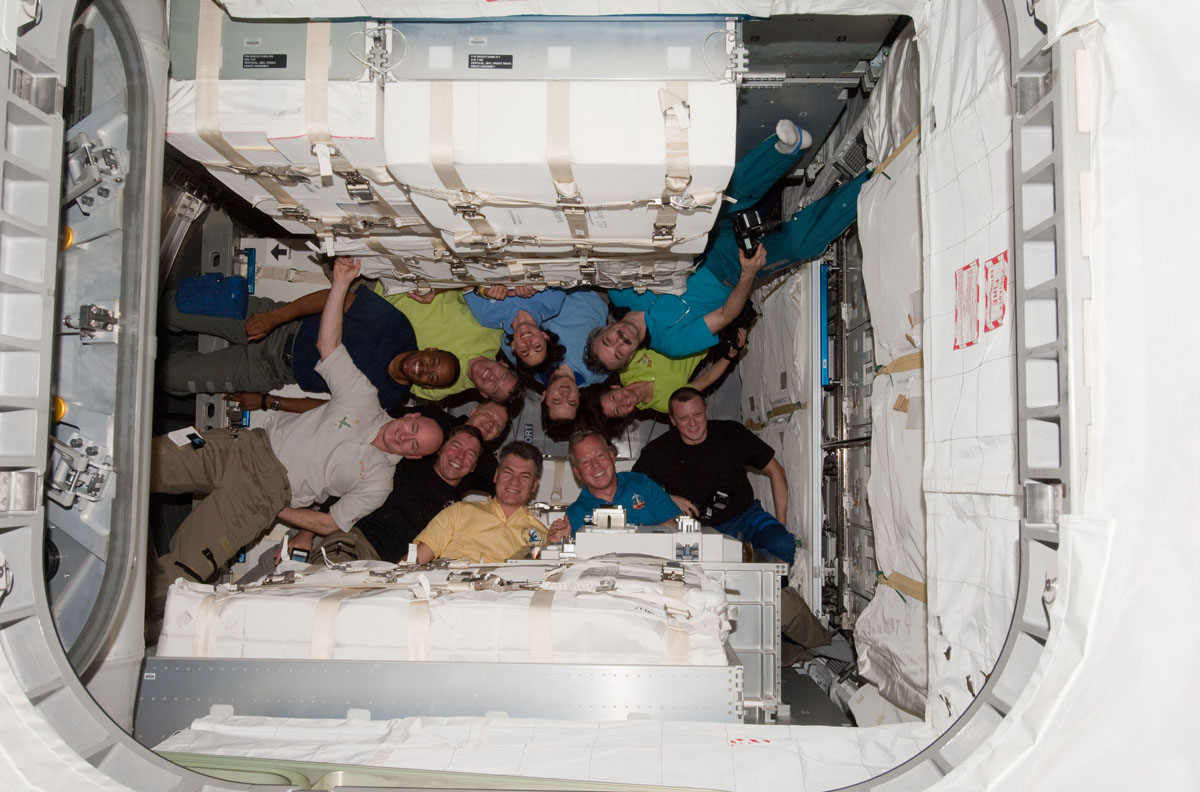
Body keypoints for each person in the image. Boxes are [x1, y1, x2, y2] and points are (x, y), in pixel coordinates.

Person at [147, 257, 444, 621]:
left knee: (181, 574)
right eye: (413, 429)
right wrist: (340, 284)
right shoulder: (365, 396)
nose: (406, 438)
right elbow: (328, 344)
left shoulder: (379, 483)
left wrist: (273, 508)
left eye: (415, 445)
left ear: (413, 457)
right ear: (411, 416)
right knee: (146, 459)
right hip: (239, 446)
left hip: (265, 496)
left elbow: (329, 524)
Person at [587, 120, 868, 371]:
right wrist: (748, 274)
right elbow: (725, 315)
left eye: (607, 341)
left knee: (724, 197)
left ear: (604, 329)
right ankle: (869, 182)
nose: (618, 342)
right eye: (618, 353)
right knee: (800, 245)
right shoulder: (672, 343)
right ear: (628, 360)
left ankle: (786, 148)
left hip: (697, 238)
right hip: (732, 269)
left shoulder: (620, 293)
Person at [162, 259, 459, 414]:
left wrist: (268, 401)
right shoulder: (398, 329)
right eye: (433, 361)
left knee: (171, 376)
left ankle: (184, 348)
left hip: (273, 370)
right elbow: (337, 298)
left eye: (432, 377)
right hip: (283, 325)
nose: (425, 369)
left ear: (427, 387)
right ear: (430, 348)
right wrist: (275, 317)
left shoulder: (389, 399)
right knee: (169, 309)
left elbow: (329, 410)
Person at [633, 387, 795, 563]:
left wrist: (781, 524)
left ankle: (777, 588)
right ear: (672, 420)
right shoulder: (658, 451)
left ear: (706, 411)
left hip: (745, 518)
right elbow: (633, 491)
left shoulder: (731, 433)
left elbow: (776, 470)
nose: (693, 423)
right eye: (684, 418)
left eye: (697, 415)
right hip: (692, 529)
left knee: (782, 544)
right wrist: (666, 497)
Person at [300, 424, 487, 564]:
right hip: (356, 544)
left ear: (474, 468)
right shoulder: (401, 466)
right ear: (439, 448)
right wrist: (306, 533)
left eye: (470, 454)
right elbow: (346, 491)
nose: (460, 456)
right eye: (455, 446)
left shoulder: (456, 509)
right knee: (326, 596)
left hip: (393, 573)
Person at [413, 441, 570, 562]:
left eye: (524, 476)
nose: (514, 482)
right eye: (508, 473)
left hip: (506, 599)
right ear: (496, 476)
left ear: (535, 485)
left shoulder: (542, 534)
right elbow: (416, 559)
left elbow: (537, 572)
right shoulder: (459, 511)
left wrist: (552, 545)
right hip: (454, 593)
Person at [376, 287, 524, 408]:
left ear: (484, 394)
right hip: (396, 282)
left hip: (364, 324)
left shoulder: (440, 390)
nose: (493, 378)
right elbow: (466, 286)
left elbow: (391, 374)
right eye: (502, 375)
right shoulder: (493, 329)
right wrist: (436, 290)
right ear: (504, 364)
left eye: (495, 388)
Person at [588, 327, 748, 419]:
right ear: (624, 415)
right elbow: (705, 381)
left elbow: (645, 329)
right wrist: (730, 355)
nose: (621, 402)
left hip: (687, 318)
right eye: (618, 410)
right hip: (709, 335)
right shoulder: (665, 405)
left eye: (614, 398)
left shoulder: (626, 367)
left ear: (615, 387)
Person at [553, 431, 681, 536]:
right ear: (578, 473)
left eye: (600, 456)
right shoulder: (574, 515)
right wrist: (558, 543)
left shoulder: (643, 485)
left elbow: (678, 524)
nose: (595, 465)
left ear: (612, 456)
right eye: (586, 462)